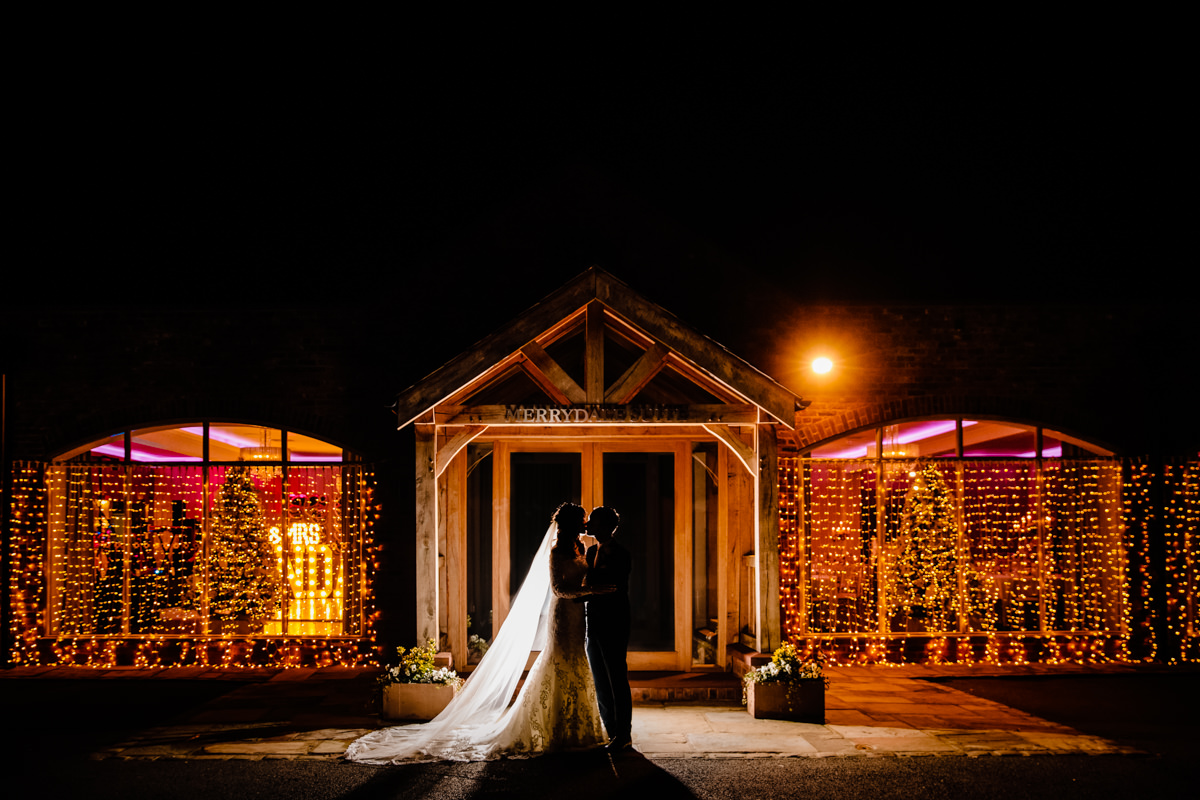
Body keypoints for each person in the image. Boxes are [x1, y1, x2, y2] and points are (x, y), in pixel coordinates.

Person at [345, 502, 609, 763]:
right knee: (560, 661)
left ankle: (577, 729)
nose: (586, 524)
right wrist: (591, 592)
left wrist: (592, 588)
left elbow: (584, 577)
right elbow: (558, 590)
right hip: (562, 613)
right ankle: (554, 730)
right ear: (572, 524)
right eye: (583, 519)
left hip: (579, 615)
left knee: (577, 661)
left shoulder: (582, 547)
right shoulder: (555, 553)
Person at [583, 505, 634, 751]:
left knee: (616, 677)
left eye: (591, 521)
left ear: (604, 526)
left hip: (614, 621)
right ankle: (610, 730)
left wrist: (589, 586)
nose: (587, 525)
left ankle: (624, 734)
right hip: (592, 622)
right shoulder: (590, 550)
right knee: (600, 678)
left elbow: (611, 584)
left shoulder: (621, 554)